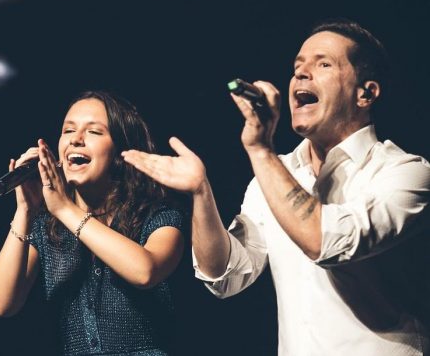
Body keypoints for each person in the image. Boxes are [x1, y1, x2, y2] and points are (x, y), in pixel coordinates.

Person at [121, 19, 430, 355]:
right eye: (298, 66)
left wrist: (260, 149)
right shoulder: (276, 174)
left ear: (365, 93)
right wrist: (200, 193)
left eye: (323, 63)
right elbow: (225, 275)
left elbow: (325, 242)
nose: (301, 74)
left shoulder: (405, 174)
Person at [0, 91, 185, 355]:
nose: (76, 140)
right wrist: (25, 210)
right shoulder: (49, 225)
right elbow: (2, 303)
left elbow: (145, 272)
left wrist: (64, 208)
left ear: (120, 148)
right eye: (68, 130)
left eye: (93, 132)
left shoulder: (157, 214)